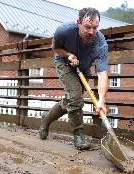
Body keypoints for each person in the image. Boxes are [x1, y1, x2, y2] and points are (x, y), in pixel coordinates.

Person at [39, 7, 108, 150]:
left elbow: (102, 73)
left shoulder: (101, 43)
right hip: (64, 61)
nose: (91, 32)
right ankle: (79, 136)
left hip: (83, 67)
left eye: (95, 27)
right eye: (87, 27)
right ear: (78, 22)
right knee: (76, 98)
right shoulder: (63, 31)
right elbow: (56, 48)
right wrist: (68, 54)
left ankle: (46, 118)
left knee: (72, 99)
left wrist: (101, 99)